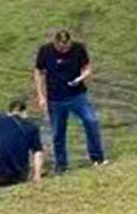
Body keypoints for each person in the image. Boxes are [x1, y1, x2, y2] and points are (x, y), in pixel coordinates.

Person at [33, 28, 104, 170]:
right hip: (55, 98)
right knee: (58, 132)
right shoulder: (45, 51)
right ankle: (61, 165)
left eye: (66, 46)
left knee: (91, 121)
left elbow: (87, 67)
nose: (64, 49)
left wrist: (81, 77)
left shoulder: (78, 49)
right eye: (60, 46)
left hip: (77, 95)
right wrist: (41, 96)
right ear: (55, 43)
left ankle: (97, 158)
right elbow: (38, 72)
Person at [0, 99, 47, 188]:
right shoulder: (32, 127)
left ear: (9, 112)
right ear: (24, 112)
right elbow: (38, 153)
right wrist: (37, 175)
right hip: (18, 176)